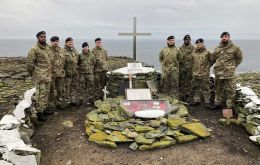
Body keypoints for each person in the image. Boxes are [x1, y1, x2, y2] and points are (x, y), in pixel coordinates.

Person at [211, 32, 243, 110]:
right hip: (219, 73)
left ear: (229, 37)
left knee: (230, 91)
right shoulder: (217, 48)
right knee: (218, 89)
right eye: (222, 37)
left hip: (229, 74)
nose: (224, 38)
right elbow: (214, 58)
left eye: (226, 36)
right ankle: (217, 104)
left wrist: (233, 66)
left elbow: (240, 58)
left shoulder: (235, 48)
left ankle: (229, 107)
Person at [27, 31, 53, 121]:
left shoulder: (48, 48)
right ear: (38, 38)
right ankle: (40, 113)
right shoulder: (34, 49)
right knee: (40, 95)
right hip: (40, 77)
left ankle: (44, 109)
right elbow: (29, 64)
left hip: (48, 75)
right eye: (41, 37)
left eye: (45, 36)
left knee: (46, 94)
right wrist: (33, 74)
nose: (43, 38)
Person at [189, 38, 213, 108]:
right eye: (197, 44)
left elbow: (212, 60)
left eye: (200, 44)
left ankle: (207, 102)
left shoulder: (207, 52)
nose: (199, 45)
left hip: (204, 74)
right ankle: (197, 100)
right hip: (195, 73)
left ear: (203, 44)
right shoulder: (194, 52)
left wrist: (207, 67)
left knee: (205, 88)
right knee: (196, 87)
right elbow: (192, 61)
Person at [48, 36, 65, 111]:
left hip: (60, 74)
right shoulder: (48, 50)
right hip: (51, 75)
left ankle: (59, 103)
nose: (56, 42)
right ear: (51, 42)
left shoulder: (61, 50)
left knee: (60, 90)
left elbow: (63, 61)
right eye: (54, 41)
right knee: (51, 90)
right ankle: (51, 105)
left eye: (57, 41)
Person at [62, 37, 80, 106]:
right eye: (69, 42)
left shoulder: (74, 50)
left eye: (72, 42)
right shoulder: (63, 51)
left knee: (74, 87)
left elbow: (78, 60)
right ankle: (67, 101)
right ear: (66, 43)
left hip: (74, 73)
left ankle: (73, 100)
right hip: (67, 74)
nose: (71, 43)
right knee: (67, 88)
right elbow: (61, 62)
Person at [179, 35, 194, 102]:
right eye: (185, 40)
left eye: (188, 40)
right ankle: (181, 95)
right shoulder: (180, 48)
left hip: (190, 68)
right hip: (182, 68)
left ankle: (187, 95)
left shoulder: (193, 48)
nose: (186, 41)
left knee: (189, 82)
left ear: (190, 40)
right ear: (183, 40)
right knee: (181, 82)